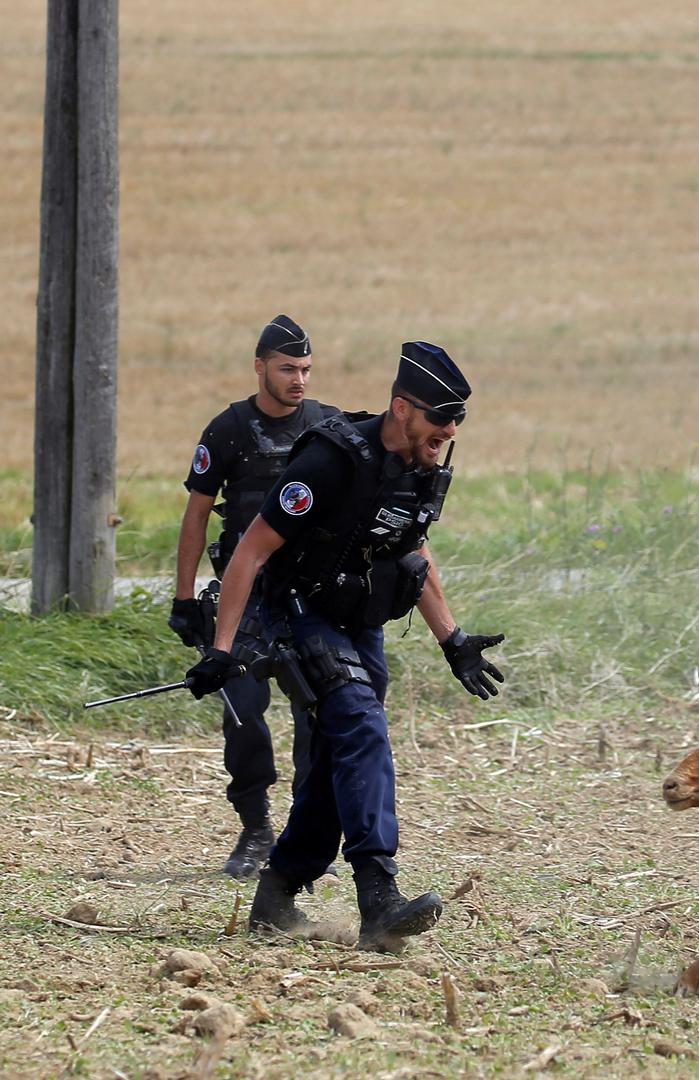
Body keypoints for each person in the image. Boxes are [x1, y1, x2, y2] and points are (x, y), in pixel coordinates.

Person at [184, 342, 506, 950]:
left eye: (452, 431)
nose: (445, 440)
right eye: (437, 427)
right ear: (402, 409)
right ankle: (378, 894)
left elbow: (414, 551)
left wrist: (454, 640)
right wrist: (222, 650)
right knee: (361, 727)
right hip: (298, 615)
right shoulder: (330, 460)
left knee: (339, 761)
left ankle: (277, 890)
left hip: (360, 622)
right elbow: (251, 551)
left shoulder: (422, 462)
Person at [169, 314, 338, 879]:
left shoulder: (329, 426)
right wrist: (184, 598)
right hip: (244, 600)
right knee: (242, 714)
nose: (299, 380)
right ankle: (255, 829)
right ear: (260, 367)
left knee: (320, 719)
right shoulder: (229, 429)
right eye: (288, 368)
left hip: (308, 600)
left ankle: (305, 837)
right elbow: (196, 516)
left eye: (306, 370)